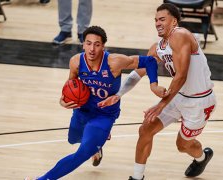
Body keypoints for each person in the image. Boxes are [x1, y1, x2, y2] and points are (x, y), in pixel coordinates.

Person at [26, 25, 165, 180]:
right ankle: (96, 147)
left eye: (97, 44)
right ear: (83, 44)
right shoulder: (76, 62)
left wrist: (154, 85)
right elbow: (69, 86)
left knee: (82, 153)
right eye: (88, 43)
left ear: (103, 46)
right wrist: (62, 101)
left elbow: (150, 61)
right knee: (73, 139)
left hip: (104, 115)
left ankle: (43, 178)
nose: (92, 49)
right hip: (82, 111)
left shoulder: (114, 62)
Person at [99, 3, 217, 179]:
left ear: (174, 21)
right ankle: (137, 177)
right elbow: (137, 74)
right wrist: (118, 95)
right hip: (177, 96)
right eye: (155, 20)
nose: (157, 23)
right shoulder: (157, 48)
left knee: (182, 145)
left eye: (162, 19)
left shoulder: (181, 35)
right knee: (145, 129)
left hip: (199, 101)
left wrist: (161, 104)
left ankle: (202, 158)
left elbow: (181, 76)